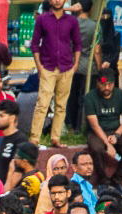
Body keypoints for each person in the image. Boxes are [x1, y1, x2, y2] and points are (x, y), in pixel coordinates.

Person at [29, 0, 81, 146]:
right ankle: (34, 139)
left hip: (66, 67)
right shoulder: (42, 19)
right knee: (42, 104)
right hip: (47, 67)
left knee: (61, 105)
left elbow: (77, 44)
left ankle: (55, 138)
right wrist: (39, 66)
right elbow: (35, 44)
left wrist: (75, 65)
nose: (57, 1)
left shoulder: (72, 20)